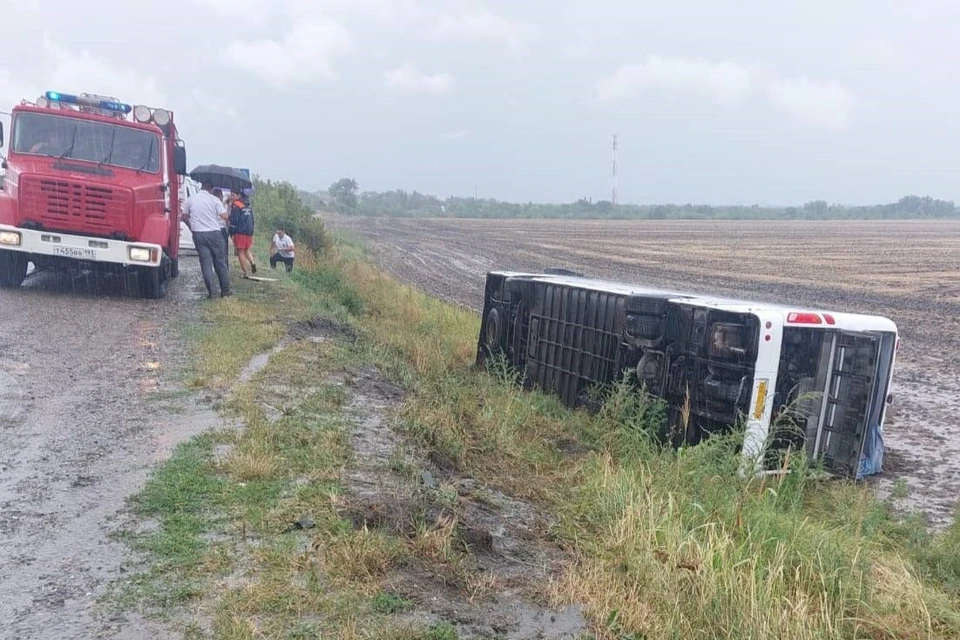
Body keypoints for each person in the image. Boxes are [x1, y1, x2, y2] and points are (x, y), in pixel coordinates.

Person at [182, 181, 232, 298]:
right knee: (220, 262)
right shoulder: (214, 200)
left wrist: (191, 227)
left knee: (206, 263)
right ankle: (225, 291)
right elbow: (225, 216)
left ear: (202, 186)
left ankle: (212, 292)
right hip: (214, 233)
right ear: (211, 188)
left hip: (198, 234)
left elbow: (184, 215)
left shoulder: (191, 199)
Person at [228, 188, 258, 278]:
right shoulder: (248, 205)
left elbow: (234, 220)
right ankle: (252, 263)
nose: (231, 196)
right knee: (246, 250)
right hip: (249, 231)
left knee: (240, 251)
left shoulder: (236, 205)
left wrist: (231, 233)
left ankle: (245, 273)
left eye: (233, 195)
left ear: (238, 196)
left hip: (240, 232)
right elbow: (252, 219)